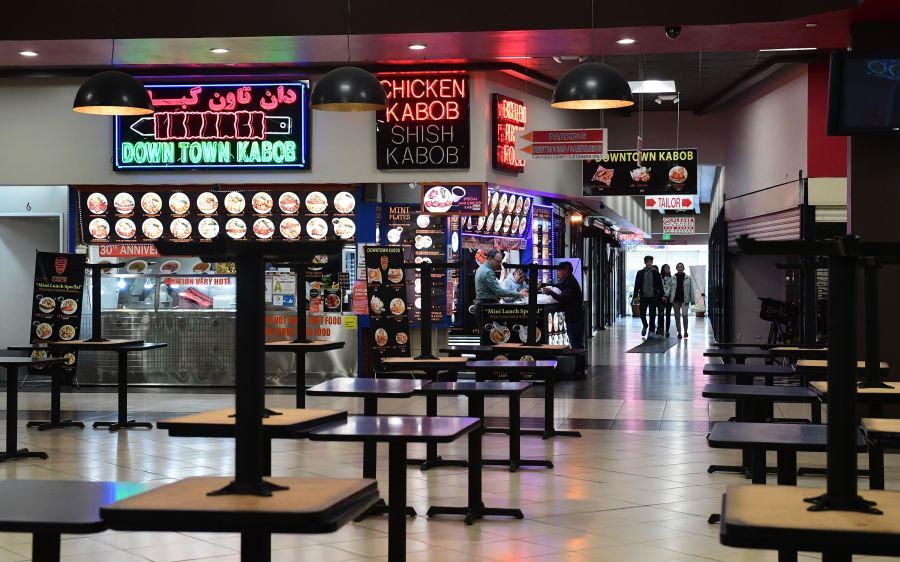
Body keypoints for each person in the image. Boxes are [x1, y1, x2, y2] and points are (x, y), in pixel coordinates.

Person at [543, 261, 585, 373]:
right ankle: (579, 368)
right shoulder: (568, 280)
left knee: (576, 344)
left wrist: (550, 292)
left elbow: (563, 298)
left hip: (575, 318)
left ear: (565, 271)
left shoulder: (570, 283)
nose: (557, 272)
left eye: (559, 270)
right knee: (576, 343)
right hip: (575, 317)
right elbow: (559, 285)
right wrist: (544, 285)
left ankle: (579, 370)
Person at [633, 255, 663, 337]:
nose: (649, 263)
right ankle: (645, 325)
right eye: (648, 262)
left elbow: (660, 285)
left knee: (652, 314)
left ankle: (651, 331)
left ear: (652, 262)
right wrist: (635, 296)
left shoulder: (656, 272)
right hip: (643, 296)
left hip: (653, 296)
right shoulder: (640, 273)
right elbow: (637, 285)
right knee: (642, 313)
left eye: (650, 262)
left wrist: (662, 295)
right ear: (645, 262)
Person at [666, 262, 694, 339]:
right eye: (678, 266)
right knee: (677, 317)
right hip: (675, 300)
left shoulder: (688, 278)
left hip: (685, 300)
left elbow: (691, 289)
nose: (680, 268)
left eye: (681, 266)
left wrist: (693, 300)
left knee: (685, 315)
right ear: (676, 268)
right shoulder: (673, 278)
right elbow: (668, 288)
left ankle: (685, 331)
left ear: (683, 268)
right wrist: (666, 295)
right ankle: (679, 332)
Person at [656, 264, 673, 336]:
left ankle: (667, 331)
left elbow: (672, 289)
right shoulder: (659, 277)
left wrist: (667, 296)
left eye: (669, 267)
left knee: (668, 315)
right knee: (661, 315)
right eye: (666, 267)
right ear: (663, 269)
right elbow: (658, 288)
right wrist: (662, 296)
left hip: (669, 299)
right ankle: (661, 329)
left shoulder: (672, 278)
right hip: (661, 298)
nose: (668, 269)